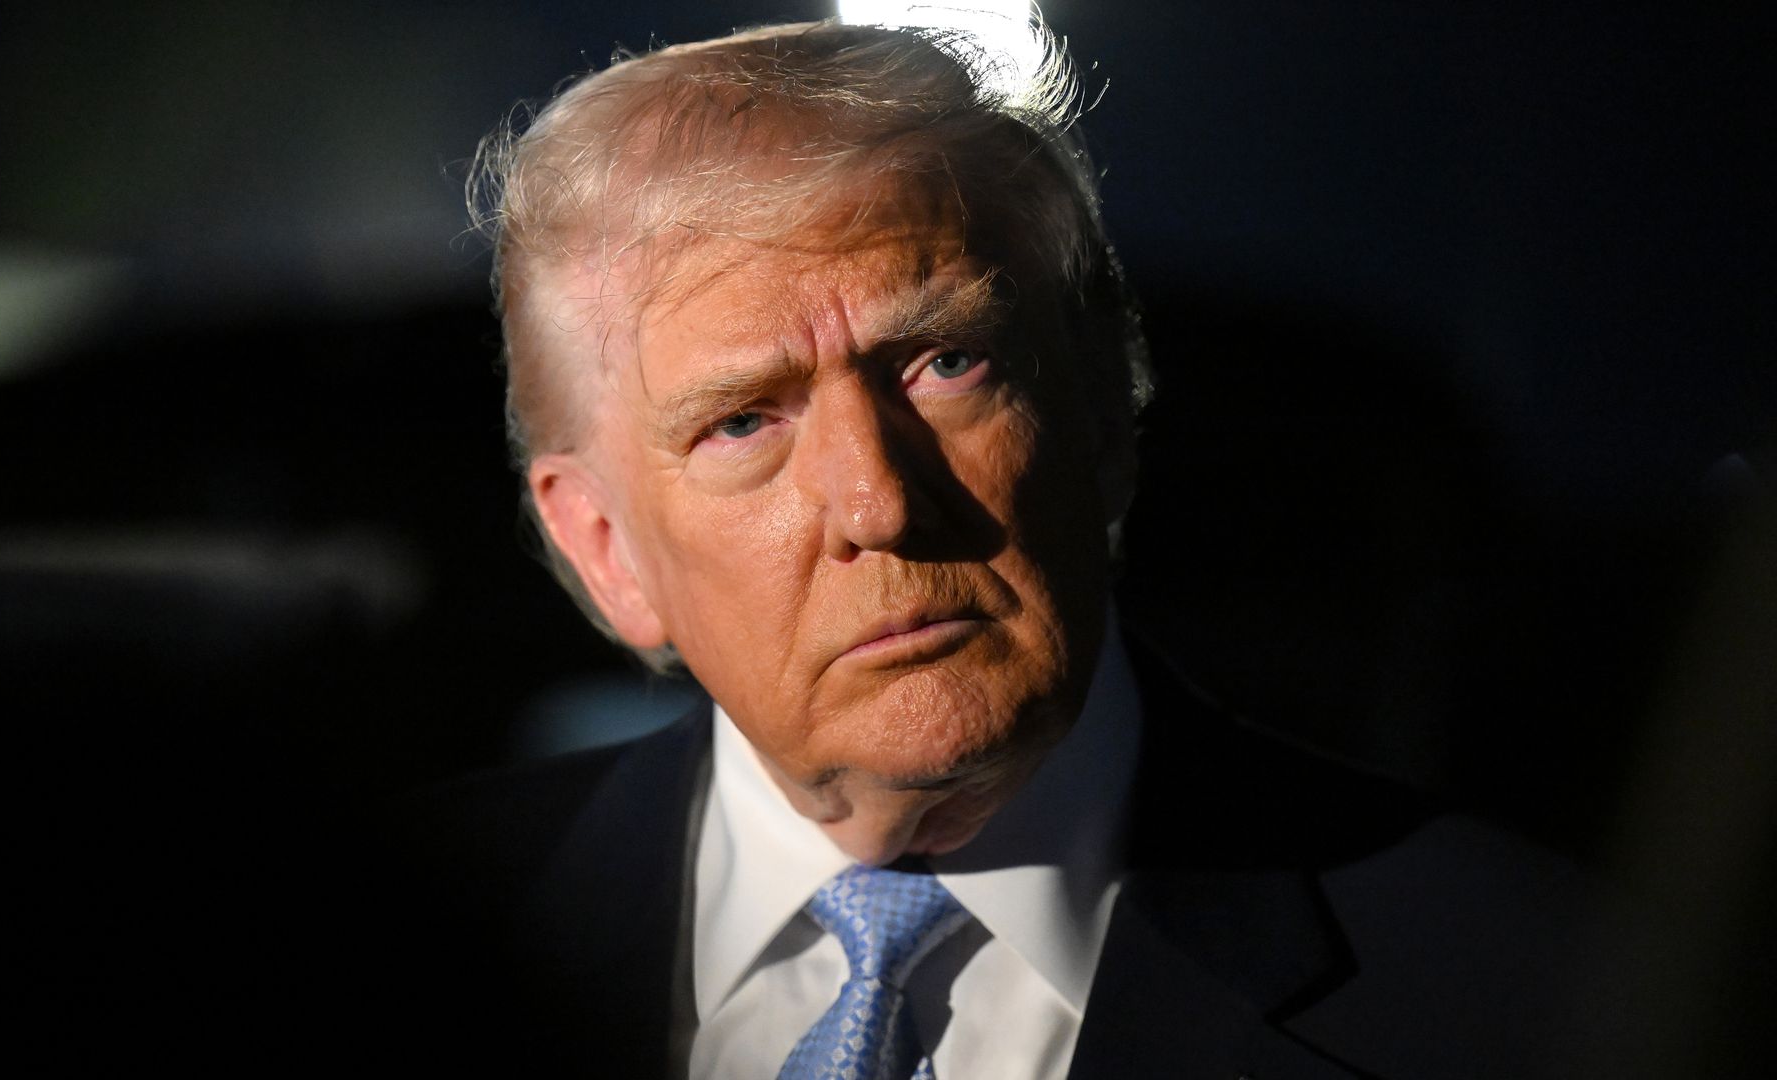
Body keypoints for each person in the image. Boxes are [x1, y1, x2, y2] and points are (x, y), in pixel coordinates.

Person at [390, 18, 1589, 1079]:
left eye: (945, 364)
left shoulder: (1555, 999)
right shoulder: (356, 959)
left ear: (1106, 407)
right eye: (744, 421)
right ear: (605, 550)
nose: (879, 504)